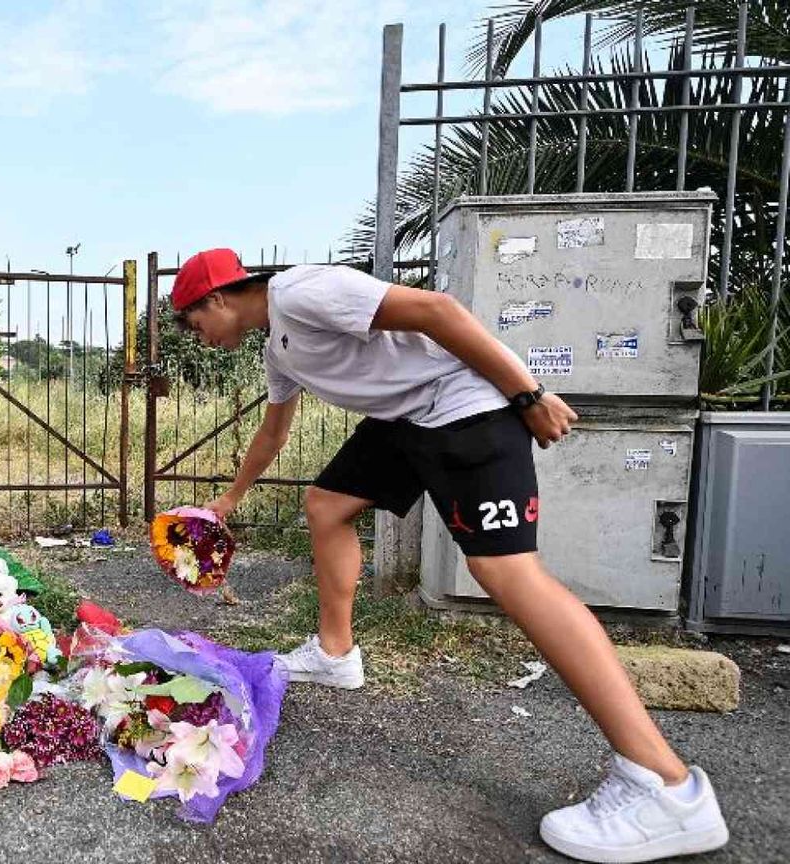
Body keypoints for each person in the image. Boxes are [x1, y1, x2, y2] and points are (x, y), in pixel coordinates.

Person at [172, 248, 728, 864]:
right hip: (405, 421)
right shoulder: (279, 346)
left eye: (197, 325)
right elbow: (274, 431)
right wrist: (228, 501)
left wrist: (528, 394)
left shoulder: (301, 292)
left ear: (217, 297)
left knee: (505, 572)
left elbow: (438, 311)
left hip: (463, 408)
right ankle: (335, 654)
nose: (201, 339)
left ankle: (664, 785)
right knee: (326, 506)